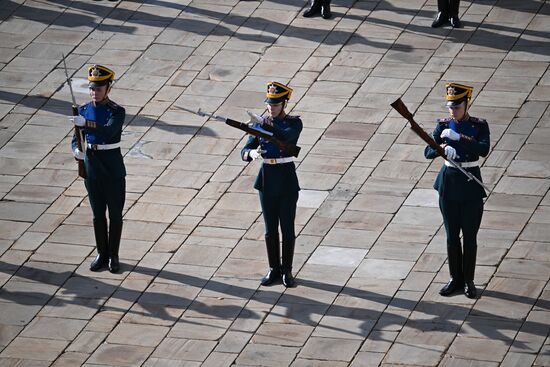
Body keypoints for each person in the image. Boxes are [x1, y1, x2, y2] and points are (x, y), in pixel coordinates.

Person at [424, 83, 490, 299]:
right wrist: (441, 148)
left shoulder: (479, 125)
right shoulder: (442, 125)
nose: (453, 111)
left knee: (470, 237)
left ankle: (469, 280)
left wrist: (459, 138)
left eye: (457, 107)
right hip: (449, 184)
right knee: (452, 236)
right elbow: (427, 151)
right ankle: (455, 278)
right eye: (450, 107)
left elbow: (483, 150)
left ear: (466, 104)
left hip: (470, 186)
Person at [241, 81, 303, 287]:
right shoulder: (261, 124)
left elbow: (286, 137)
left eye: (276, 104)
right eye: (270, 104)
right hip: (267, 178)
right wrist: (252, 153)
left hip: (286, 178)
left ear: (284, 104)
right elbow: (244, 151)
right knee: (269, 230)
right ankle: (273, 268)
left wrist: (265, 125)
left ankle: (287, 271)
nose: (271, 107)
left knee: (287, 228)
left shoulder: (293, 123)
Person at [68, 65, 126, 273]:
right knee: (97, 214)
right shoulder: (83, 110)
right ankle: (102, 253)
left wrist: (87, 124)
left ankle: (114, 255)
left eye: (99, 89)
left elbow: (109, 132)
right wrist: (76, 150)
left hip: (111, 168)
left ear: (108, 89)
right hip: (91, 167)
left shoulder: (116, 111)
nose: (95, 92)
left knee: (116, 215)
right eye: (93, 89)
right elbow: (76, 138)